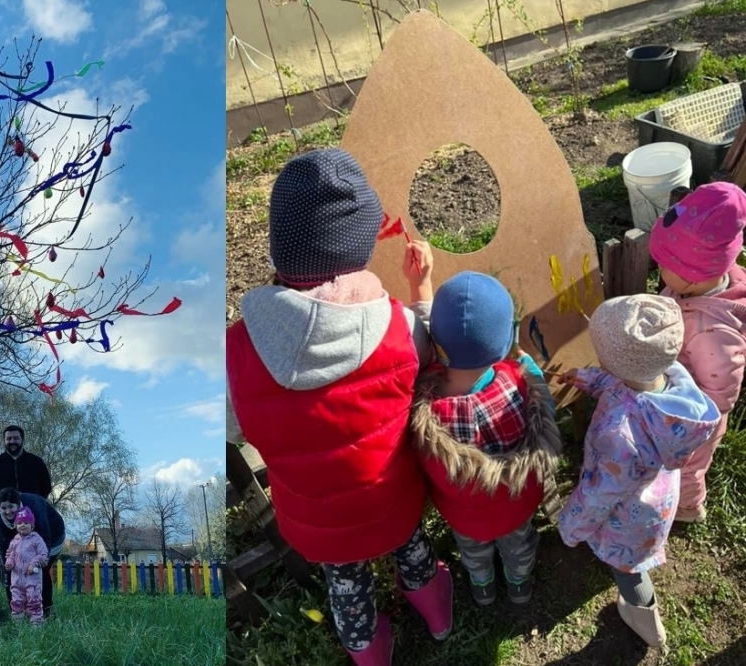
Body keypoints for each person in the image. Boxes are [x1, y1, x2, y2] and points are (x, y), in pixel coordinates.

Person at [225, 148, 452, 666]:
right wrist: (420, 290)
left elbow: (234, 426)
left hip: (316, 522)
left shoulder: (237, 352)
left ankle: (371, 653)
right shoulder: (398, 325)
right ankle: (437, 614)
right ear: (358, 247)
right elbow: (430, 358)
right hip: (392, 498)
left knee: (346, 586)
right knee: (414, 552)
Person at [556, 294, 720, 647]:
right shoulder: (668, 380)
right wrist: (587, 379)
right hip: (657, 496)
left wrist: (571, 524)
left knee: (629, 569)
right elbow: (618, 384)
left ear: (617, 363)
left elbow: (599, 494)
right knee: (631, 558)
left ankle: (645, 620)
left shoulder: (620, 434)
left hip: (629, 518)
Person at [403, 248, 563, 606]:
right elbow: (544, 405)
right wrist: (524, 362)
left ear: (435, 346)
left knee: (473, 551)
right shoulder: (519, 385)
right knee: (519, 546)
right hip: (517, 508)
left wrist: (420, 285)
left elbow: (429, 347)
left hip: (466, 519)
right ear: (505, 343)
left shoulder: (426, 409)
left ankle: (483, 587)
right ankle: (519, 585)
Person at [647, 181, 746, 523]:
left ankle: (689, 508)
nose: (658, 270)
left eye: (663, 265)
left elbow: (720, 396)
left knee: (687, 468)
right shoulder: (704, 281)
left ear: (690, 276)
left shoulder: (712, 333)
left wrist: (684, 421)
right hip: (682, 389)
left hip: (695, 421)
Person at [0, 487, 64, 618]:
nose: (7, 511)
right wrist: (8, 563)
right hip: (21, 537)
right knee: (16, 570)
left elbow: (45, 537)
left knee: (39, 572)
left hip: (53, 535)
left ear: (18, 503)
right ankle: (17, 610)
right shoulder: (0, 519)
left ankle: (44, 612)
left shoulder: (34, 505)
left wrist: (40, 561)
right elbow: (3, 548)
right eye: (3, 508)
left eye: (11, 507)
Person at [0, 425, 52, 502]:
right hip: (5, 508)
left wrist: (36, 502)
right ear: (4, 441)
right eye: (9, 439)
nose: (12, 441)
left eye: (16, 438)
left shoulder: (36, 462)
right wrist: (2, 502)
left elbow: (46, 487)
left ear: (23, 439)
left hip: (33, 507)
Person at [4, 507, 47, 625]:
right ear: (16, 526)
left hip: (32, 578)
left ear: (32, 526)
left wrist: (33, 563)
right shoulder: (14, 541)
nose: (22, 525)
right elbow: (11, 555)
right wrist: (9, 563)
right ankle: (17, 623)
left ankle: (36, 623)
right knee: (16, 601)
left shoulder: (36, 539)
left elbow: (43, 554)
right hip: (17, 579)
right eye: (19, 523)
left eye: (26, 523)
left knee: (34, 600)